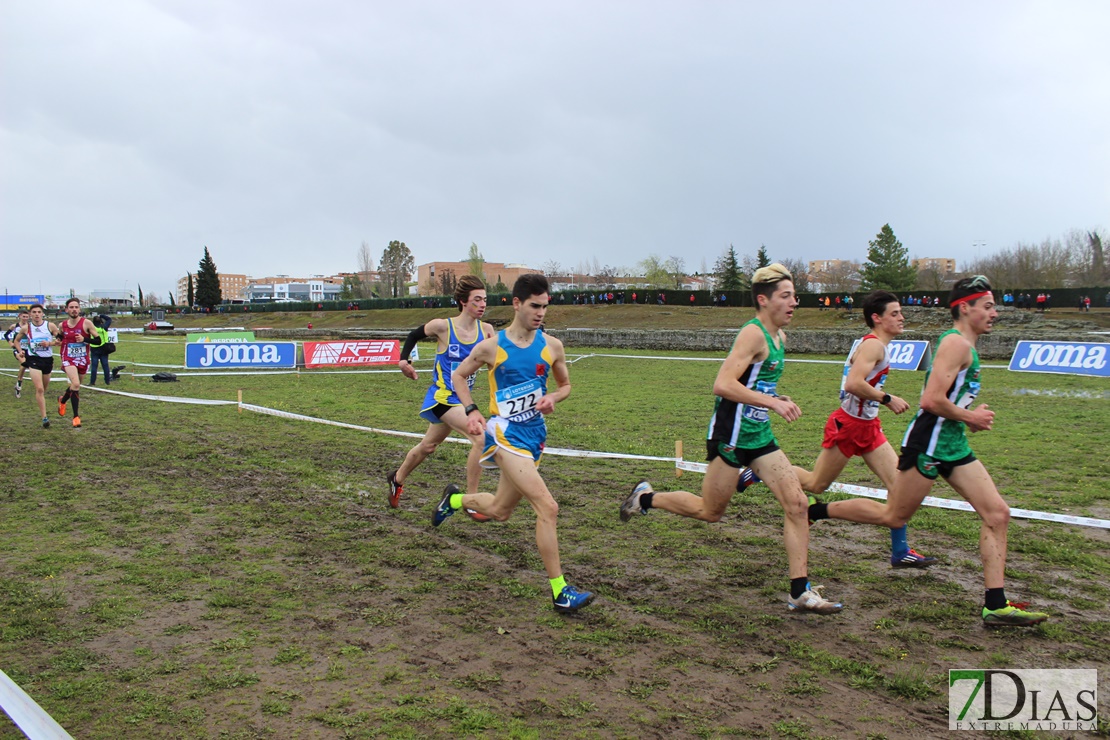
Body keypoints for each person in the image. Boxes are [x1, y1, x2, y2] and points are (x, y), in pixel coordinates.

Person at [806, 276, 1048, 627]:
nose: (995, 313)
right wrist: (972, 417)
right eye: (988, 306)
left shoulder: (965, 344)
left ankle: (995, 605)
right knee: (893, 515)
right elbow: (931, 400)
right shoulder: (955, 344)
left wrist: (964, 421)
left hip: (952, 443)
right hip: (929, 444)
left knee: (997, 514)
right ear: (965, 308)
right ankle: (820, 511)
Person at [620, 263, 843, 615]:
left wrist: (776, 398)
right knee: (711, 512)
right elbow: (723, 384)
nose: (794, 303)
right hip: (731, 437)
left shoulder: (780, 338)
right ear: (763, 300)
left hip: (759, 435)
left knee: (798, 504)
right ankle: (645, 499)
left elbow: (755, 384)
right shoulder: (752, 334)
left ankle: (800, 592)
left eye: (794, 296)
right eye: (786, 296)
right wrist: (770, 402)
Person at [739, 291, 937, 568]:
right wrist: (887, 399)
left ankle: (900, 551)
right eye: (895, 313)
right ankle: (760, 471)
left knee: (899, 489)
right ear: (877, 318)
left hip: (868, 427)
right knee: (816, 483)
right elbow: (853, 384)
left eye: (900, 312)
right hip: (849, 426)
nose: (901, 317)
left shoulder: (878, 345)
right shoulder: (873, 347)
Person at [434, 274, 593, 614]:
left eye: (545, 307)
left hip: (535, 436)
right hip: (504, 436)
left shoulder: (552, 346)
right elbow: (459, 376)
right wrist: (473, 410)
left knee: (500, 511)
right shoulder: (493, 346)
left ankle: (456, 499)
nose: (540, 313)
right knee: (547, 507)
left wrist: (554, 397)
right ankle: (560, 591)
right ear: (517, 303)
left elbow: (566, 386)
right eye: (535, 306)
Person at [388, 276, 495, 521]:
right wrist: (404, 360)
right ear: (462, 302)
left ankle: (397, 478)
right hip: (443, 398)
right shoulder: (443, 327)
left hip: (462, 400)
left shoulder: (487, 331)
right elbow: (414, 335)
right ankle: (471, 501)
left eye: (485, 300)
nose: (482, 305)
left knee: (428, 446)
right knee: (480, 436)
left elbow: (495, 361)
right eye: (477, 300)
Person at [12, 304, 59, 428]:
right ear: (30, 314)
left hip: (47, 360)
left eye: (39, 312)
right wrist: (20, 350)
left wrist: (49, 343)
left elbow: (60, 340)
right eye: (34, 312)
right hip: (33, 359)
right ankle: (44, 418)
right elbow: (16, 341)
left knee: (44, 389)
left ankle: (43, 402)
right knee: (39, 389)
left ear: (42, 313)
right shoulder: (26, 328)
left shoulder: (50, 326)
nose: (37, 314)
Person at [53, 298, 97, 427]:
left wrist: (85, 339)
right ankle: (76, 417)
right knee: (76, 383)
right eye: (71, 307)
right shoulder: (63, 325)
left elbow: (99, 341)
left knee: (75, 386)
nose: (74, 310)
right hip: (68, 357)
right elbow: (60, 335)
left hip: (83, 358)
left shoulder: (87, 323)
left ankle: (62, 400)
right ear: (66, 309)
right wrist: (57, 340)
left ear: (79, 309)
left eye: (76, 307)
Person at [5, 309, 29, 397]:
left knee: (24, 366)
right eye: (24, 316)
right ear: (20, 316)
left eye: (27, 317)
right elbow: (5, 335)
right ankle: (19, 385)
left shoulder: (30, 327)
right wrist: (10, 342)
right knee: (24, 363)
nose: (25, 318)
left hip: (28, 350)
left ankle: (18, 383)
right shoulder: (14, 326)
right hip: (18, 349)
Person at [87, 314, 113, 386]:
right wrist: (102, 315)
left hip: (94, 348)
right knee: (105, 365)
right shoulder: (104, 327)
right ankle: (107, 381)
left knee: (94, 366)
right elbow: (109, 319)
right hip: (104, 348)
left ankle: (92, 382)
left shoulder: (92, 328)